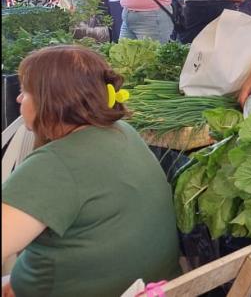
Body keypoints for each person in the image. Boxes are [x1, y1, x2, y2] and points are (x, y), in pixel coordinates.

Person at [1, 45, 181, 297]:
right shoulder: (122, 132)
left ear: (51, 101)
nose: (19, 99)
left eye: (25, 91)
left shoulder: (54, 166)